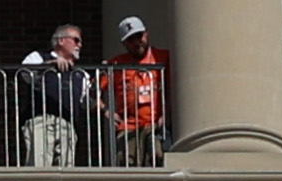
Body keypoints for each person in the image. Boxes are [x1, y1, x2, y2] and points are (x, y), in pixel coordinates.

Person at [18, 23, 91, 163]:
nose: (80, 45)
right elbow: (24, 72)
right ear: (61, 40)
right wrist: (51, 64)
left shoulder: (81, 74)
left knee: (66, 168)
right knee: (40, 167)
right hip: (42, 121)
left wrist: (106, 110)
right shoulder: (39, 57)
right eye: (76, 40)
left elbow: (87, 99)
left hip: (68, 125)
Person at [102, 16, 169, 161]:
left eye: (139, 36)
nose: (137, 42)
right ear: (124, 43)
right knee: (127, 163)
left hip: (156, 123)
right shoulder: (116, 64)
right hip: (128, 126)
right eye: (131, 40)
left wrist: (168, 113)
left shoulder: (163, 57)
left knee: (158, 158)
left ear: (147, 34)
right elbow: (89, 91)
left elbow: (177, 88)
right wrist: (106, 111)